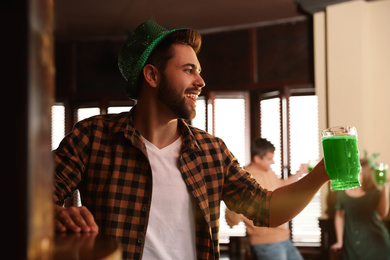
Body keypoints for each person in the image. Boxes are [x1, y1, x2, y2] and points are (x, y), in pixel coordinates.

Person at [53, 20, 330, 260]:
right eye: (188, 70)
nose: (201, 81)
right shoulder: (93, 136)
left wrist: (321, 174)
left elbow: (267, 209)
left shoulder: (212, 151)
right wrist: (55, 214)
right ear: (152, 75)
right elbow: (31, 197)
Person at [225, 137, 305, 260]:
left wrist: (299, 174)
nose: (272, 162)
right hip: (267, 243)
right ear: (257, 158)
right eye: (269, 159)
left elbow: (282, 188)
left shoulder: (268, 172)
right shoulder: (245, 179)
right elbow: (232, 213)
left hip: (283, 237)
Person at [330, 159, 390, 260]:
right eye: (354, 172)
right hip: (352, 245)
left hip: (377, 244)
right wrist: (340, 241)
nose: (356, 176)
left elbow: (382, 213)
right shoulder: (341, 193)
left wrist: (386, 186)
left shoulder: (374, 193)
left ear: (365, 175)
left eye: (360, 173)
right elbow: (339, 216)